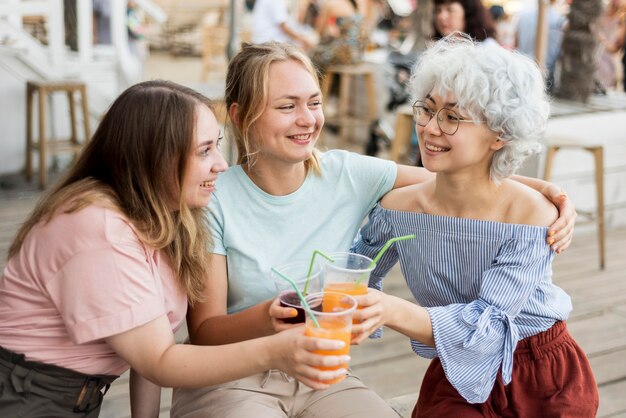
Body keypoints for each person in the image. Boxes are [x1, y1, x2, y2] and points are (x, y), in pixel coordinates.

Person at [170, 41, 577, 418]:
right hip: (234, 376)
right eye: (286, 106)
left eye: (314, 102)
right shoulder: (213, 199)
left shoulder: (349, 173)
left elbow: (459, 174)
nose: (307, 119)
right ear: (240, 116)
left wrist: (550, 194)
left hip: (320, 373)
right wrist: (271, 317)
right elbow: (205, 332)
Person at [0, 80, 353, 417]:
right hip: (25, 394)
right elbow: (160, 361)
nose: (221, 163)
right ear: (153, 157)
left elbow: (152, 350)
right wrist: (278, 352)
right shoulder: (98, 227)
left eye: (216, 144)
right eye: (203, 151)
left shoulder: (158, 214)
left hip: (74, 396)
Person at [352, 35, 599, 417]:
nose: (431, 128)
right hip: (458, 372)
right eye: (427, 110)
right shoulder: (396, 208)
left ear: (500, 134)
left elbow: (486, 327)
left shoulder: (530, 216)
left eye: (452, 117)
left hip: (543, 375)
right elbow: (351, 270)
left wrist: (387, 308)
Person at [515, 0, 566, 94]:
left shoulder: (523, 17)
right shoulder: (558, 20)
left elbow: (516, 44)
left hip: (520, 70)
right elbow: (561, 52)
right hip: (544, 75)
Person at [310, 0, 366, 73]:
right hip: (357, 56)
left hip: (343, 56)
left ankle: (319, 83)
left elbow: (319, 32)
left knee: (312, 55)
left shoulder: (331, 4)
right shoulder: (351, 4)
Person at [432, 0, 497, 43]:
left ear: (468, 14)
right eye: (438, 10)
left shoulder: (487, 51)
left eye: (450, 10)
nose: (442, 17)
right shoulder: (432, 52)